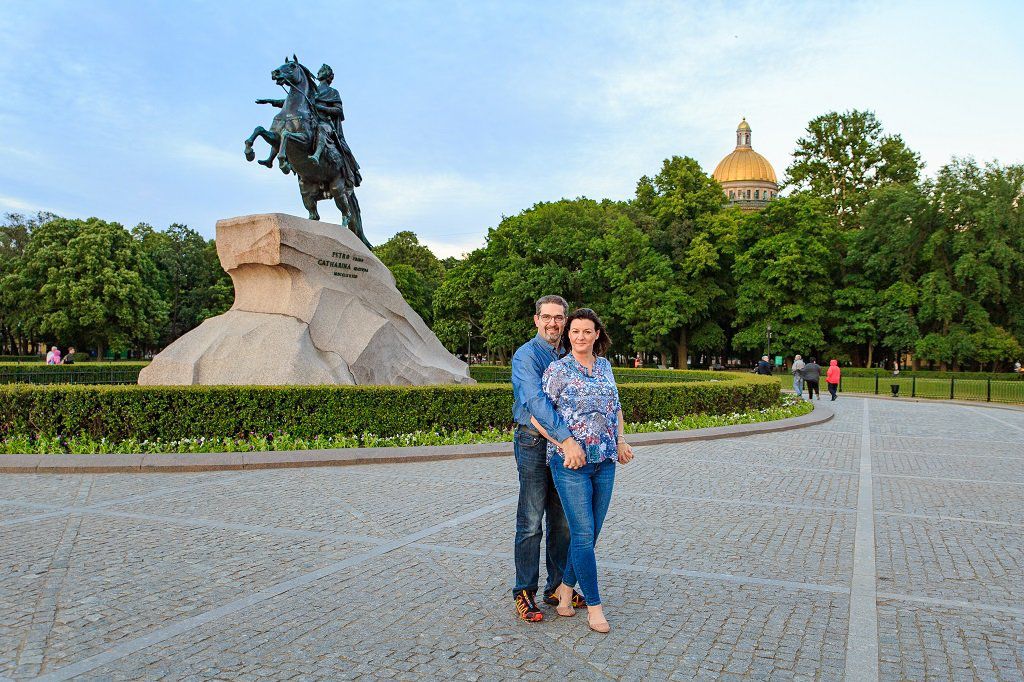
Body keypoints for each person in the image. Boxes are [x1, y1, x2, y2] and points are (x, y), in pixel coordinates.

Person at [531, 308, 634, 634]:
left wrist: (620, 440)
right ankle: (594, 606)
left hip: (604, 463)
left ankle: (563, 593)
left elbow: (615, 407)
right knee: (585, 535)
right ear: (568, 335)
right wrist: (565, 445)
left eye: (587, 332)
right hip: (571, 466)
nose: (580, 337)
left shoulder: (605, 366)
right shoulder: (558, 371)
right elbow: (538, 417)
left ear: (597, 335)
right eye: (574, 331)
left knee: (589, 535)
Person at [510, 295, 588, 623]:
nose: (553, 323)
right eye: (547, 317)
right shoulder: (525, 356)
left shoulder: (569, 355)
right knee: (531, 520)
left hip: (562, 446)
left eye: (559, 318)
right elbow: (536, 403)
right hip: (533, 443)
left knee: (562, 521)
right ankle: (524, 590)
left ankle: (556, 587)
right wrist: (567, 439)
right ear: (536, 320)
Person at [310, 64, 361, 188]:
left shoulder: (333, 92)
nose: (318, 72)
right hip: (311, 122)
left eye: (322, 70)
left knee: (322, 129)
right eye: (319, 70)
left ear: (327, 75)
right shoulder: (311, 91)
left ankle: (317, 155)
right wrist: (271, 101)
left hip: (326, 124)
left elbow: (338, 111)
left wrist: (322, 107)